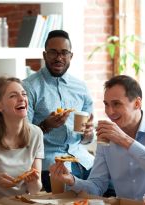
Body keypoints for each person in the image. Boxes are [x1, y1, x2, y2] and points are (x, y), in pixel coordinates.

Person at [49, 75, 145, 205]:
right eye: (106, 105)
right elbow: (97, 186)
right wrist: (72, 180)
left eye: (116, 104)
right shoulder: (106, 139)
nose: (109, 112)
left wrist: (125, 140)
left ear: (137, 103)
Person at [22, 30, 95, 192]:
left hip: (83, 160)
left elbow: (87, 138)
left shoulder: (80, 87)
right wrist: (46, 126)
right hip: (49, 163)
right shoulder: (28, 87)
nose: (59, 57)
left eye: (64, 53)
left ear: (71, 56)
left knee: (112, 190)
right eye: (53, 52)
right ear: (44, 55)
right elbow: (22, 137)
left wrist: (89, 134)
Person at [0, 77, 44, 198]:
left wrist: (34, 182)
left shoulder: (36, 134)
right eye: (13, 96)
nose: (22, 99)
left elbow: (35, 190)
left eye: (24, 94)